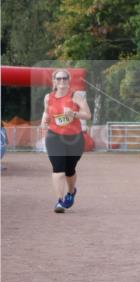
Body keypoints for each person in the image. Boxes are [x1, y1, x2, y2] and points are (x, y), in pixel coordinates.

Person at [39, 70, 91, 213]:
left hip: (74, 138)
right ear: (54, 81)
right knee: (58, 169)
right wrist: (44, 121)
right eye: (58, 78)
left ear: (69, 80)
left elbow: (88, 115)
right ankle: (60, 201)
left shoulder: (76, 96)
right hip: (54, 136)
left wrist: (74, 114)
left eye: (64, 78)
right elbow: (46, 112)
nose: (61, 81)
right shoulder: (48, 97)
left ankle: (71, 191)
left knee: (69, 170)